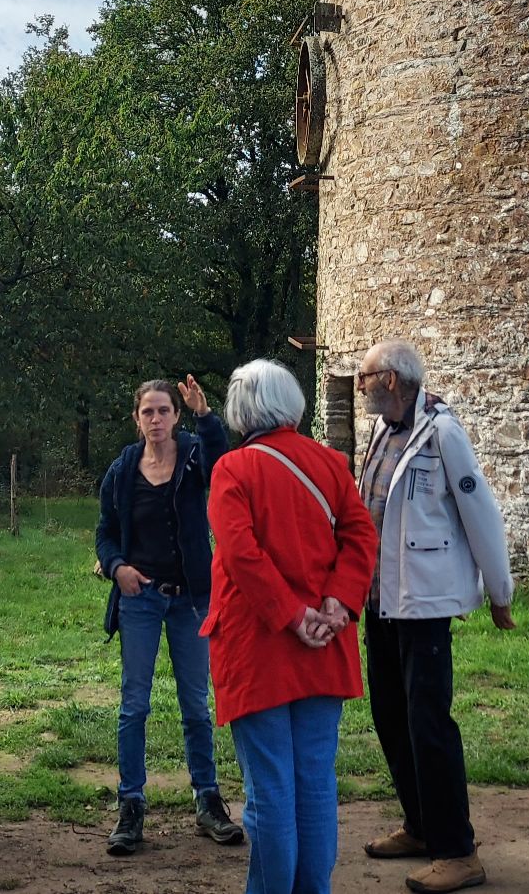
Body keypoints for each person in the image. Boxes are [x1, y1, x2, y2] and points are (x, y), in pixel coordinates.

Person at [203, 358, 378, 894]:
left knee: (272, 791)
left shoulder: (232, 470)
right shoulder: (330, 463)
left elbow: (241, 555)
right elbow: (360, 536)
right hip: (326, 642)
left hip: (259, 645)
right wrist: (337, 604)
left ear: (240, 409)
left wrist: (290, 614)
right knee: (315, 785)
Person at [355, 340, 514, 894]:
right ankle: (421, 827)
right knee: (390, 716)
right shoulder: (381, 432)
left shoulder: (443, 433)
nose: (360, 386)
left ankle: (458, 851)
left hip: (423, 604)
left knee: (428, 723)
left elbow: (479, 511)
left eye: (365, 376)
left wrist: (499, 592)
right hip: (379, 600)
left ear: (393, 380)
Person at [94, 374, 244, 854]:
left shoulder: (197, 455)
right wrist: (117, 567)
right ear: (136, 419)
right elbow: (106, 532)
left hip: (190, 599)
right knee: (134, 705)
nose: (156, 419)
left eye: (164, 411)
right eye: (147, 412)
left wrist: (207, 415)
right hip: (141, 598)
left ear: (176, 416)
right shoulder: (122, 469)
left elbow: (226, 467)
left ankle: (207, 800)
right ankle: (131, 805)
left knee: (196, 706)